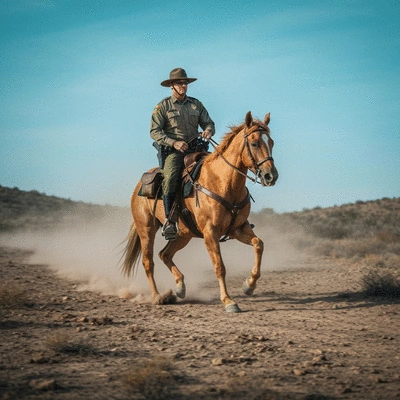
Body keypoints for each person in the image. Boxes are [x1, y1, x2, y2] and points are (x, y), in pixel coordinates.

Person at [150, 68, 215, 240]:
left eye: (185, 82)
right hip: (174, 152)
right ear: (171, 85)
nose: (184, 85)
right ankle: (170, 221)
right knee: (170, 177)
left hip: (197, 149)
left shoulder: (196, 104)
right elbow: (154, 132)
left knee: (219, 169)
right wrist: (174, 142)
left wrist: (208, 130)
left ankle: (230, 215)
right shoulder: (163, 106)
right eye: (180, 82)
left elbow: (209, 123)